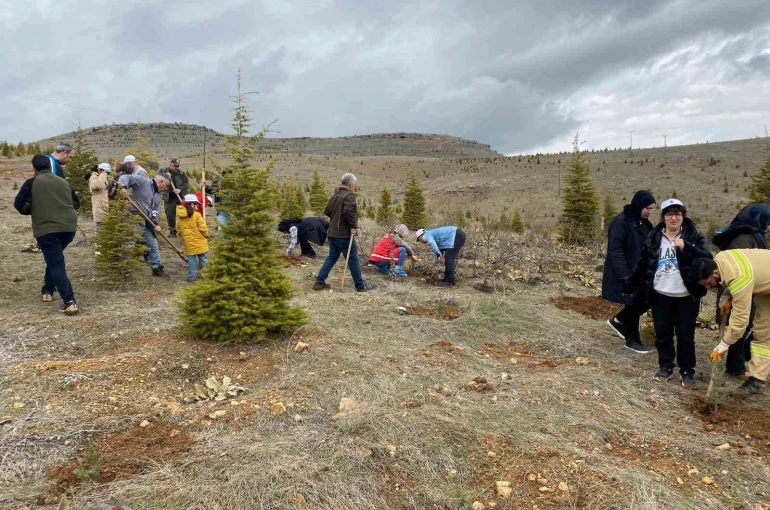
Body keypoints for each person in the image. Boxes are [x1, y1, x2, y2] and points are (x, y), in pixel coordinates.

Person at [625, 199, 712, 387]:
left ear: (683, 217)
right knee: (663, 333)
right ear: (664, 217)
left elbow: (708, 260)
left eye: (678, 214)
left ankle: (687, 371)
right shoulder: (654, 238)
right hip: (660, 294)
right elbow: (642, 263)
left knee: (685, 335)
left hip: (686, 296)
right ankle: (665, 366)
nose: (674, 218)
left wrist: (686, 247)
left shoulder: (694, 236)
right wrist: (630, 284)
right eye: (670, 214)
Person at [688, 249, 770, 394]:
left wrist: (724, 344)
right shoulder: (720, 258)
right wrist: (726, 298)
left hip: (763, 282)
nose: (708, 287)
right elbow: (730, 278)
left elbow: (740, 321)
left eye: (708, 283)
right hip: (765, 286)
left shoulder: (740, 279)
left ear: (715, 273)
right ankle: (757, 380)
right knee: (763, 332)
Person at [13, 155, 80, 315]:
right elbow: (77, 203)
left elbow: (18, 204)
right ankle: (47, 290)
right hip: (69, 228)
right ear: (50, 167)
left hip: (46, 230)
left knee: (56, 263)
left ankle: (69, 301)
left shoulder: (32, 182)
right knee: (54, 259)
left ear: (34, 168)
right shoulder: (63, 181)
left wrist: (31, 210)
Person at [711, 204, 770, 377]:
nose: (769, 226)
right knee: (739, 326)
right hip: (742, 292)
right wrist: (727, 298)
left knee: (748, 328)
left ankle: (741, 364)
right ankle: (735, 367)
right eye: (767, 221)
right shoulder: (744, 239)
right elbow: (733, 273)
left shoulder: (755, 235)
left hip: (752, 290)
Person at [603, 190, 657, 353]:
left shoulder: (645, 223)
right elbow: (616, 250)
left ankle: (619, 319)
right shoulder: (621, 222)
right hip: (625, 272)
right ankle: (632, 340)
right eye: (648, 208)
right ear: (640, 205)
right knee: (633, 302)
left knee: (649, 298)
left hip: (641, 272)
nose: (650, 212)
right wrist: (625, 275)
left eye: (653, 209)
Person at [313, 173, 373, 292]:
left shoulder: (335, 196)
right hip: (344, 235)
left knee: (332, 257)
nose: (354, 187)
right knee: (353, 259)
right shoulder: (349, 196)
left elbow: (327, 211)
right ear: (351, 184)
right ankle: (360, 286)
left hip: (332, 233)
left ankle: (319, 281)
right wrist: (353, 226)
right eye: (354, 185)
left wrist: (336, 219)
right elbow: (347, 211)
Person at [117, 172, 170, 276]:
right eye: (166, 185)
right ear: (161, 181)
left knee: (153, 243)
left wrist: (156, 224)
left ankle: (156, 268)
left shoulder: (158, 196)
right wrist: (123, 187)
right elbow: (125, 177)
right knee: (129, 244)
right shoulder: (143, 181)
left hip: (146, 221)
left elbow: (155, 211)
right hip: (131, 218)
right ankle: (126, 270)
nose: (166, 188)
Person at [177, 194, 209, 282]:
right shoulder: (197, 215)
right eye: (196, 205)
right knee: (203, 258)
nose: (198, 207)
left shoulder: (181, 217)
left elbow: (178, 229)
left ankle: (192, 277)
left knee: (191, 260)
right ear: (192, 205)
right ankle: (206, 275)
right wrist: (206, 235)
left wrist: (183, 236)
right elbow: (203, 228)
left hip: (188, 243)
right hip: (200, 242)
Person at [158, 158, 189, 237]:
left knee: (185, 212)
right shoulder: (163, 171)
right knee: (170, 214)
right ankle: (172, 231)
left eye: (178, 166)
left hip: (180, 196)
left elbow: (186, 184)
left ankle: (184, 230)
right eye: (175, 166)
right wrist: (165, 177)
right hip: (169, 197)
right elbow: (158, 181)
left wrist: (180, 190)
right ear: (170, 165)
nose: (177, 168)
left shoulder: (181, 173)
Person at [88, 163, 112, 235]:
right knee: (100, 226)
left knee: (104, 227)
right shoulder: (94, 177)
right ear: (100, 170)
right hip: (99, 206)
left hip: (104, 205)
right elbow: (97, 186)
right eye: (105, 171)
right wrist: (102, 175)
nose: (106, 173)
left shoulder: (102, 178)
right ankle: (97, 244)